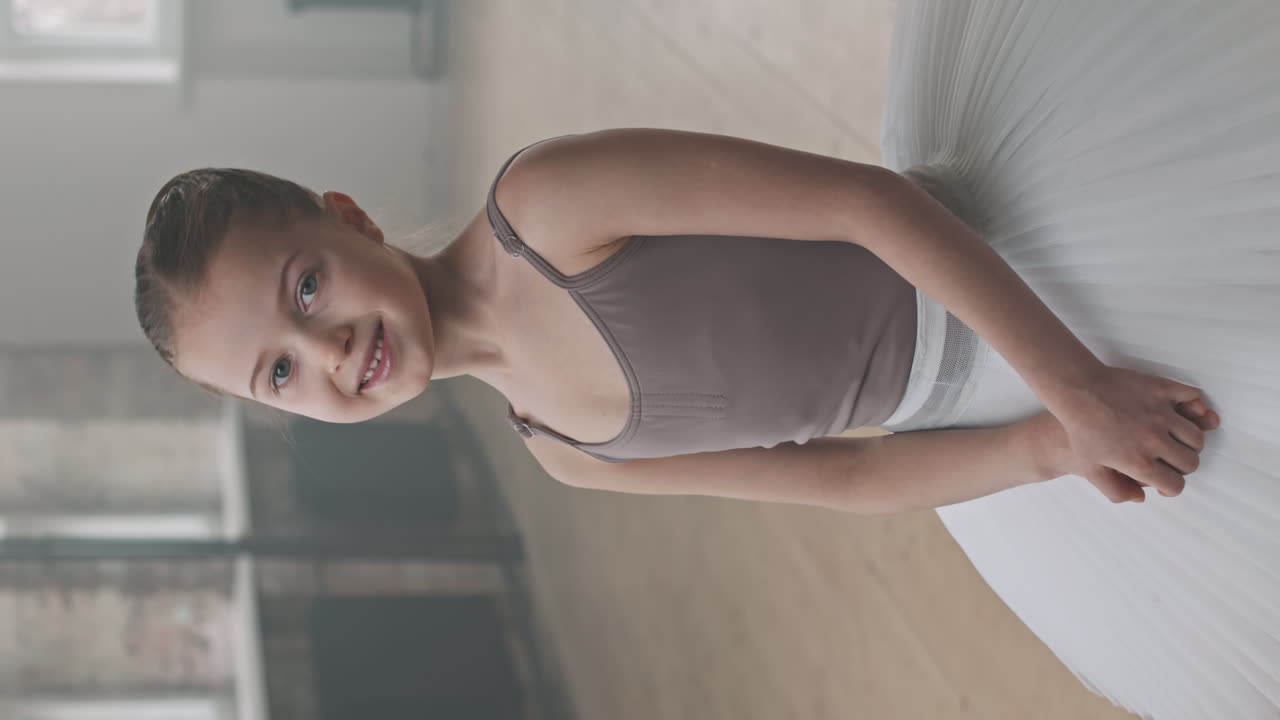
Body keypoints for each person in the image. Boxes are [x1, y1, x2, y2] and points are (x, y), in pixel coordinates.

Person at [134, 1, 1277, 717]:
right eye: (277, 373)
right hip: (1008, 407)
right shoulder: (568, 455)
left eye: (305, 287)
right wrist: (1044, 442)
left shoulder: (547, 205)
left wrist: (1074, 386)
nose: (326, 349)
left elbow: (865, 207)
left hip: (1026, 256)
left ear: (345, 217)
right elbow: (846, 475)